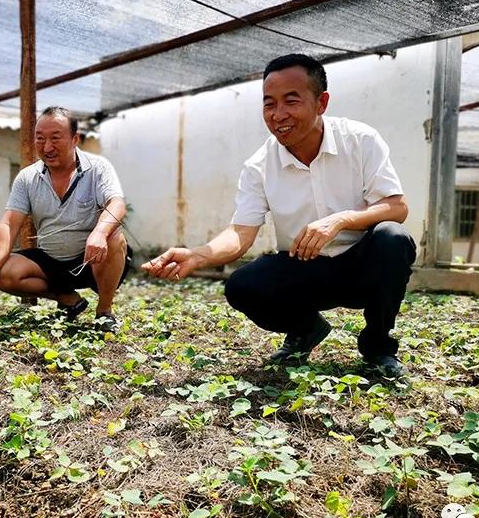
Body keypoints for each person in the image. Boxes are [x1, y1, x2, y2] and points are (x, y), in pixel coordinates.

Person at [143, 54, 416, 377]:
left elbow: (396, 207)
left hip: (361, 267)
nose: (278, 114)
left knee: (393, 239)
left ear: (321, 102)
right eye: (269, 104)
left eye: (291, 101)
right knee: (243, 285)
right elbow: (241, 233)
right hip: (304, 270)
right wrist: (197, 255)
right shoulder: (259, 166)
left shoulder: (360, 140)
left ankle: (378, 347)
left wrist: (340, 220)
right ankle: (306, 329)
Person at [0, 106, 130, 330]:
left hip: (92, 260)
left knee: (114, 236)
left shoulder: (98, 168)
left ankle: (104, 312)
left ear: (75, 139)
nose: (47, 147)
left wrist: (99, 233)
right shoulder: (27, 178)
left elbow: (116, 203)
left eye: (55, 138)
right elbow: (9, 224)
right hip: (50, 262)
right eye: (40, 138)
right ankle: (67, 297)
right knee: (4, 273)